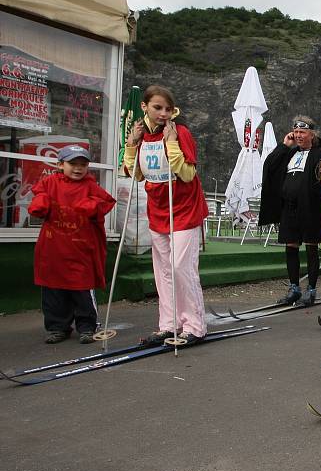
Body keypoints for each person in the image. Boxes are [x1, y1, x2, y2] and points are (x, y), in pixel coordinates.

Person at [123, 85, 209, 347]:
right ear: (145, 107)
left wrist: (171, 144)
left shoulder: (180, 132)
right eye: (157, 108)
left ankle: (195, 325)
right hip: (158, 211)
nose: (163, 114)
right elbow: (135, 174)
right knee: (163, 272)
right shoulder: (141, 136)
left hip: (184, 210)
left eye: (167, 109)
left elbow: (187, 174)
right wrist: (131, 145)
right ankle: (169, 324)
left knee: (181, 267)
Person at [29, 145, 116, 344]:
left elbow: (107, 202)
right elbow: (39, 195)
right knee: (53, 290)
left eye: (83, 164)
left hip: (81, 249)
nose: (78, 168)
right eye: (73, 164)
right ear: (60, 164)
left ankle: (87, 327)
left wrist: (93, 206)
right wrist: (40, 203)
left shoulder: (90, 185)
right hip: (53, 249)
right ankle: (57, 327)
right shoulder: (49, 182)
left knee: (82, 290)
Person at [260, 116, 321, 306]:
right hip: (289, 208)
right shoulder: (290, 153)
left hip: (310, 208)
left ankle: (311, 289)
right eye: (296, 132)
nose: (298, 136)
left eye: (302, 132)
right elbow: (270, 166)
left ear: (311, 134)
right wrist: (284, 145)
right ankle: (294, 288)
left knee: (311, 246)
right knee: (291, 246)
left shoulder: (319, 153)